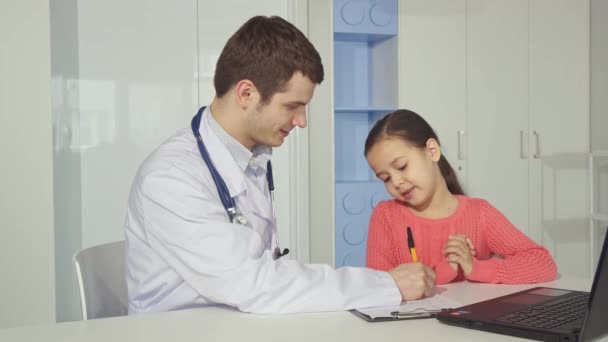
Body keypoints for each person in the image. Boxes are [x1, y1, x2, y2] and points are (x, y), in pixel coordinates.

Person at [125, 16, 435, 315]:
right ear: (246, 93)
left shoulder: (253, 158)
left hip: (238, 321)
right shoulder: (170, 177)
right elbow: (252, 283)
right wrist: (385, 284)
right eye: (292, 106)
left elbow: (265, 273)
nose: (301, 121)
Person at [364, 109, 557, 285]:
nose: (396, 182)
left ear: (432, 151)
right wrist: (444, 271)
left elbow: (542, 262)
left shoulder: (479, 213)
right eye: (386, 178)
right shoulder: (386, 216)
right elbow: (377, 286)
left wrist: (476, 268)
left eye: (401, 166)